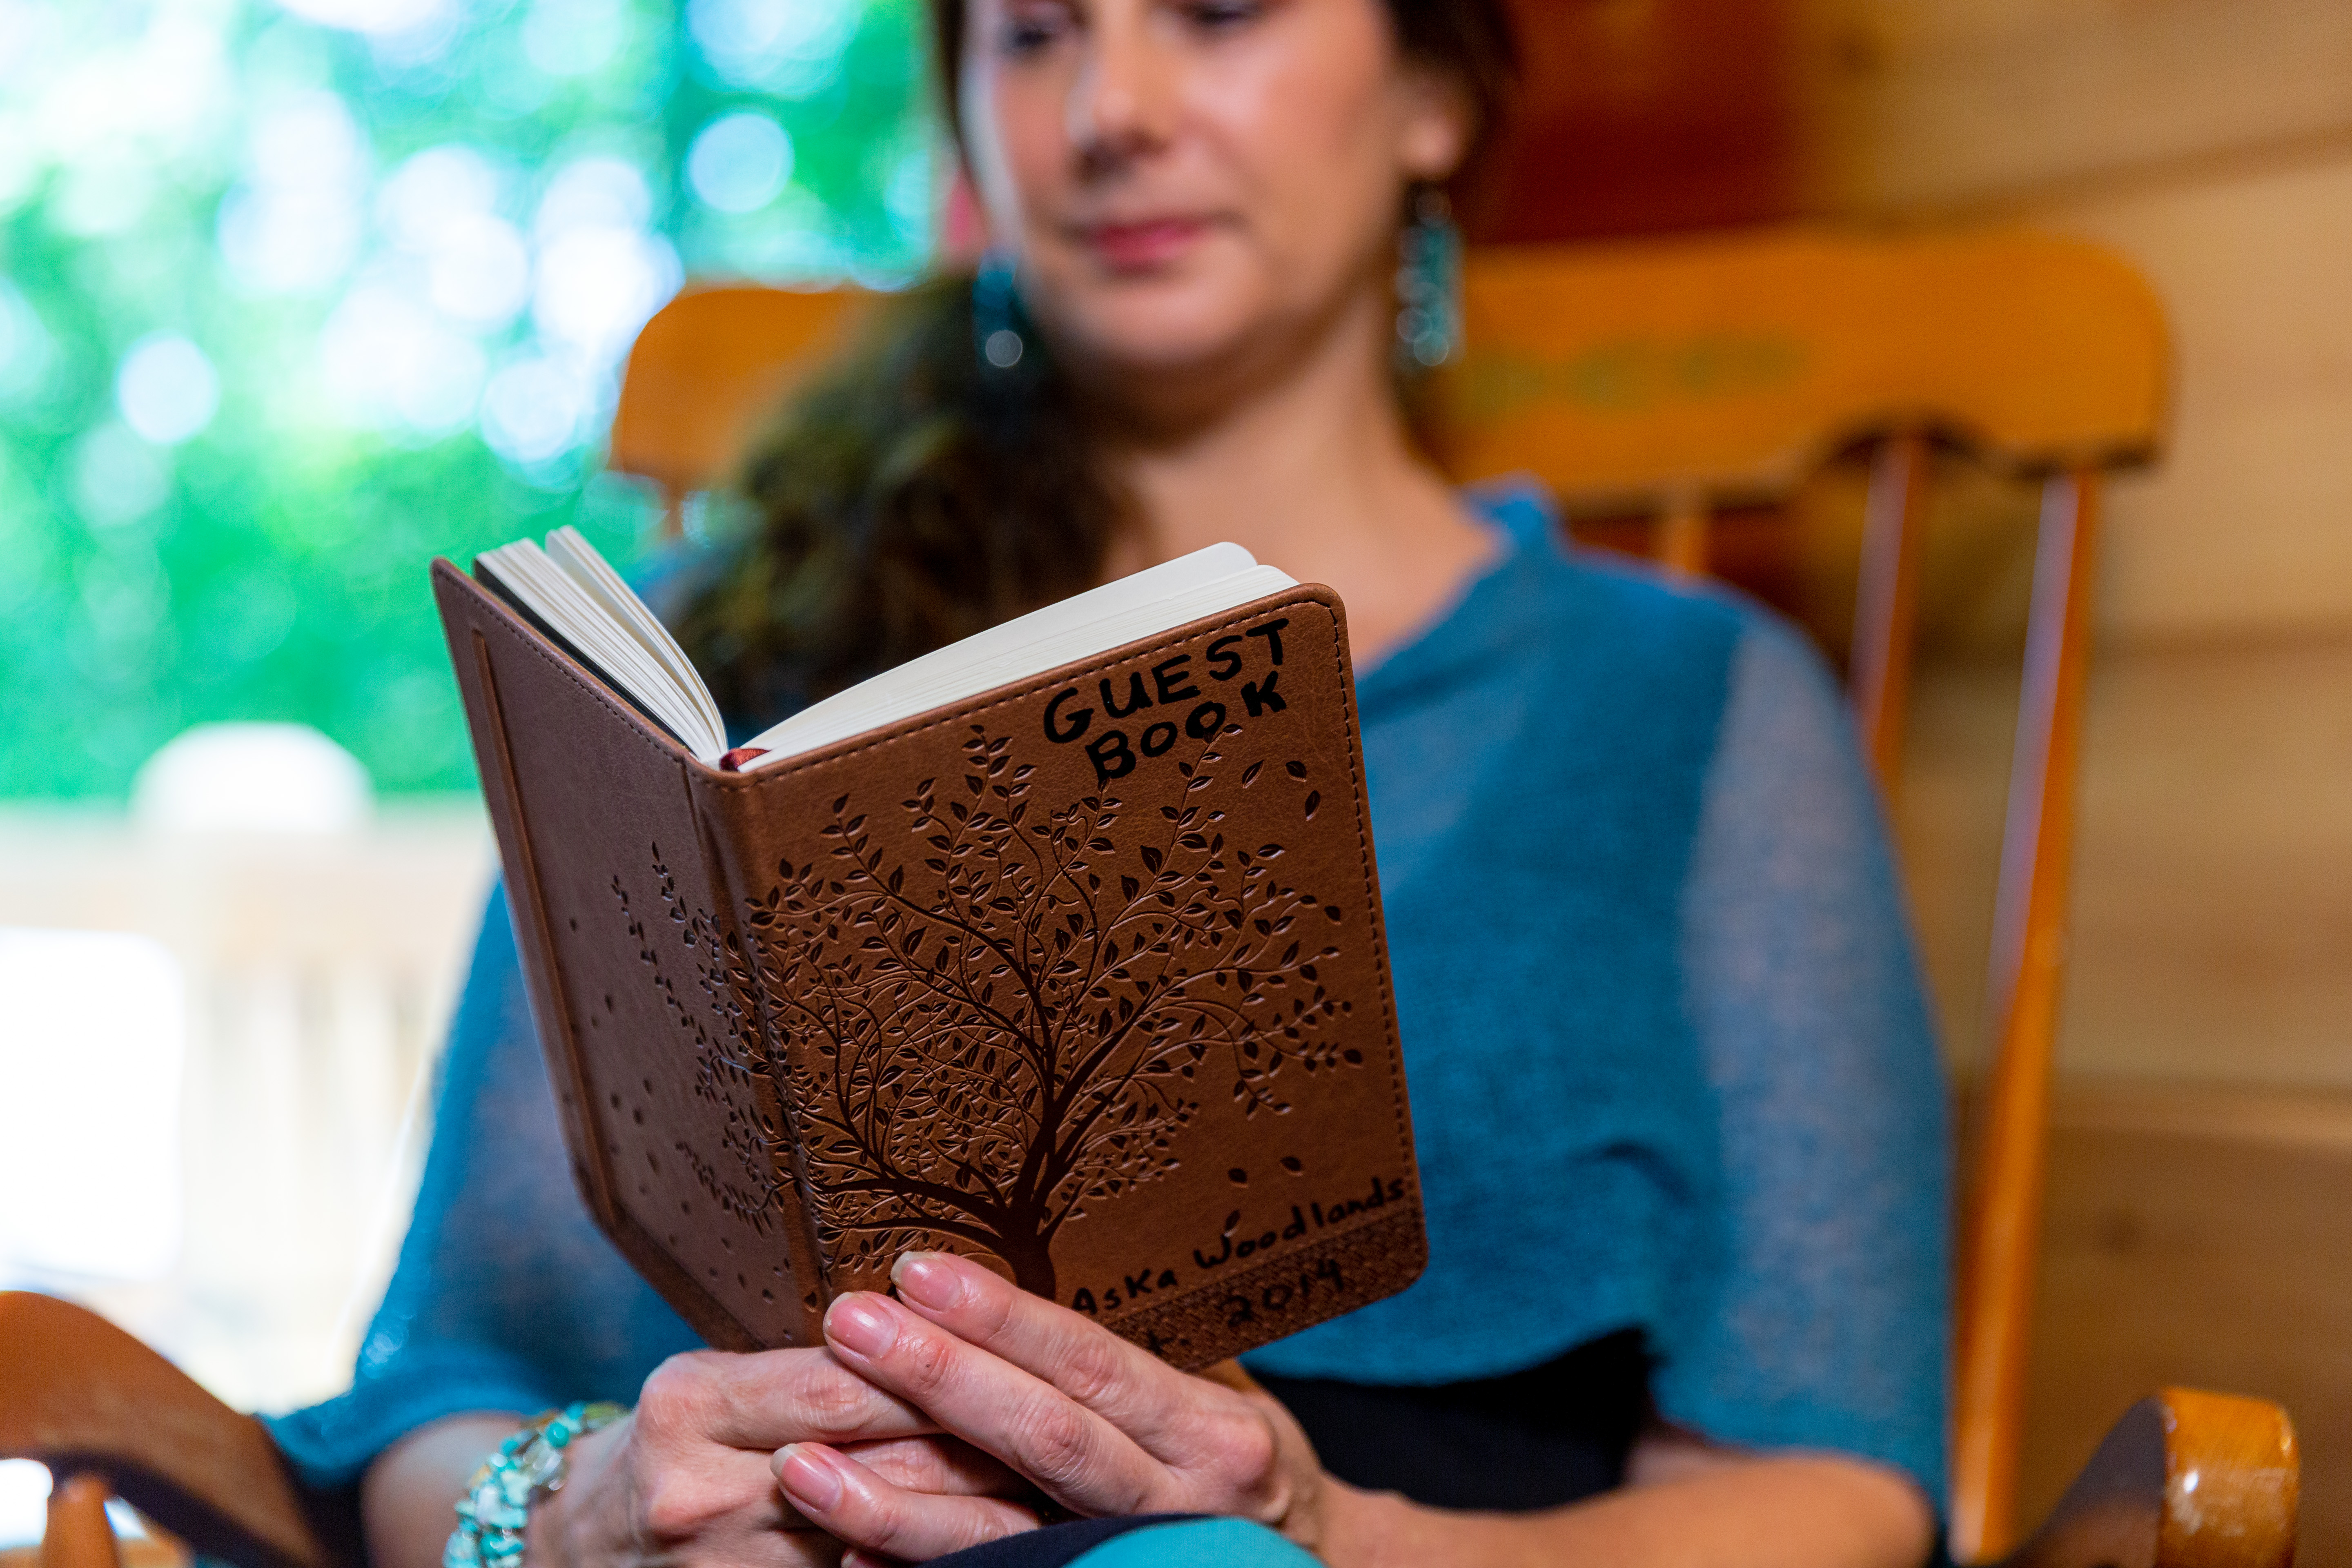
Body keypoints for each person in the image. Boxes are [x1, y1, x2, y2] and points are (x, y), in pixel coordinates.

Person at [270, 1, 1950, 1565]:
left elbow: (1829, 1484)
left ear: (1435, 92)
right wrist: (583, 1524)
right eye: (1033, 34)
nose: (1109, 110)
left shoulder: (1688, 705)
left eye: (1218, 12)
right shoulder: (719, 672)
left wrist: (1331, 1531)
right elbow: (438, 1398)